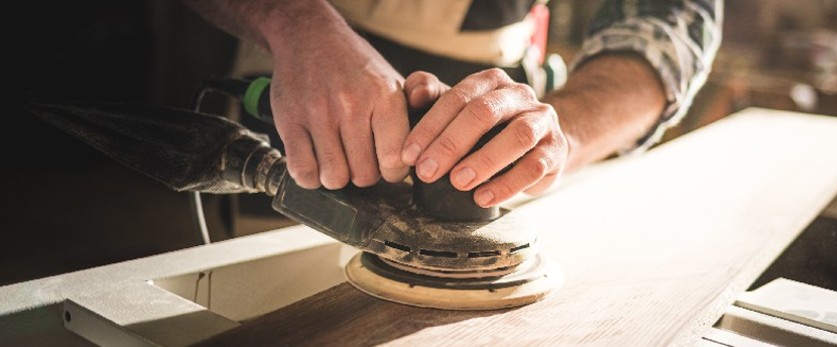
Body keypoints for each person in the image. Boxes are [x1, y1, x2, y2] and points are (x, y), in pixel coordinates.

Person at [181, 0, 722, 208]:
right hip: (300, 77)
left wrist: (564, 136)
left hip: (494, 109)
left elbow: (666, 21)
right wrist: (292, 21)